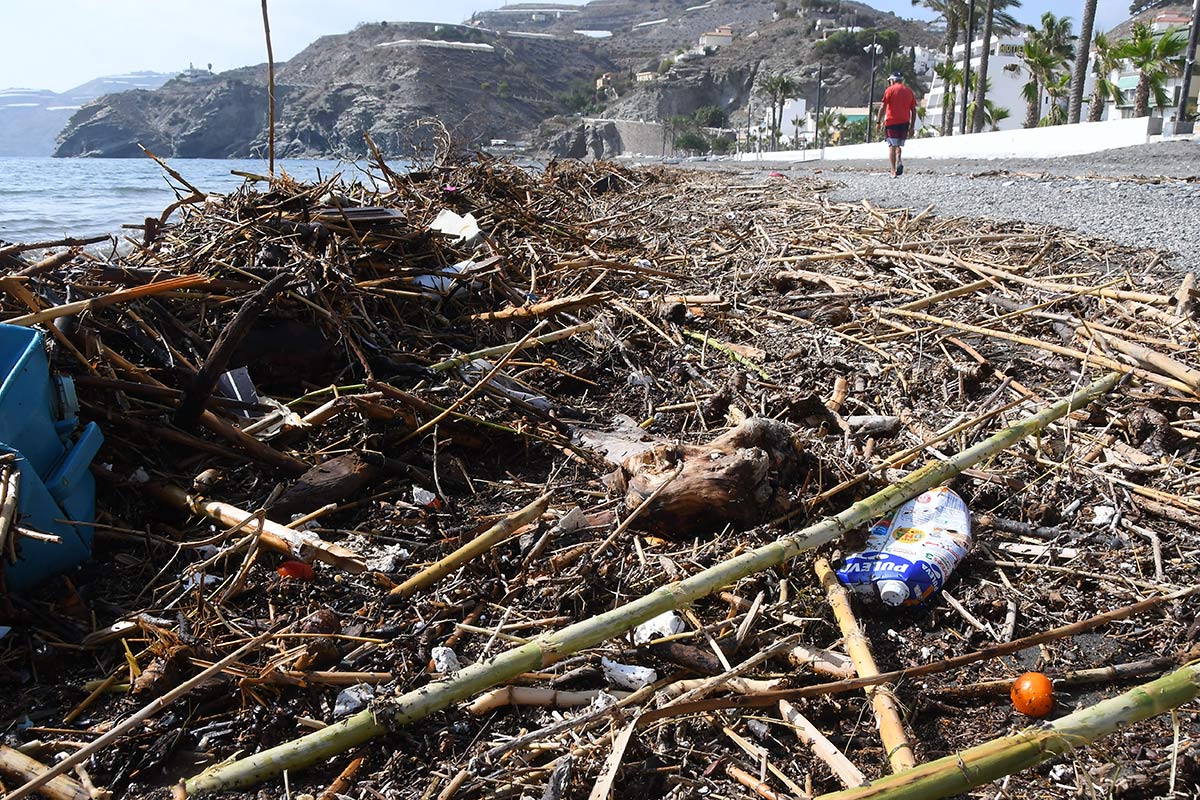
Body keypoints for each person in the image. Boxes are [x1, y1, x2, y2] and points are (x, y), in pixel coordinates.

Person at [877, 71, 917, 178]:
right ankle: (899, 156)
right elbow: (913, 110)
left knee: (891, 145)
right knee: (898, 144)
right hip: (905, 122)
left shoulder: (889, 90)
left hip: (891, 121)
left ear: (893, 80)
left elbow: (883, 107)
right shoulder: (909, 91)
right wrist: (912, 127)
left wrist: (878, 122)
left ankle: (893, 170)